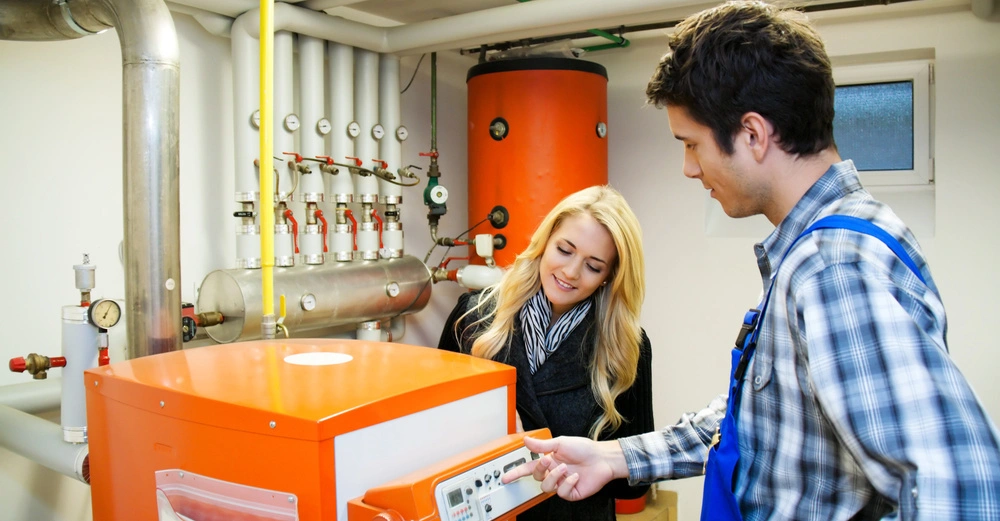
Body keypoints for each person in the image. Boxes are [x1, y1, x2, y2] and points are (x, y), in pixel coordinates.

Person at [501, 2, 1000, 520]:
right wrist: (613, 455)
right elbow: (762, 423)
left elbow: (961, 492)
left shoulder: (832, 268)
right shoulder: (835, 241)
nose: (689, 169)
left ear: (754, 135)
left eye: (692, 144)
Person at [438, 185, 653, 521]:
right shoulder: (474, 316)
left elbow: (635, 481)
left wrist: (583, 464)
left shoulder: (626, 347)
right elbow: (433, 426)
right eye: (565, 250)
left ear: (609, 276)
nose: (570, 272)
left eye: (593, 266)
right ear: (546, 239)